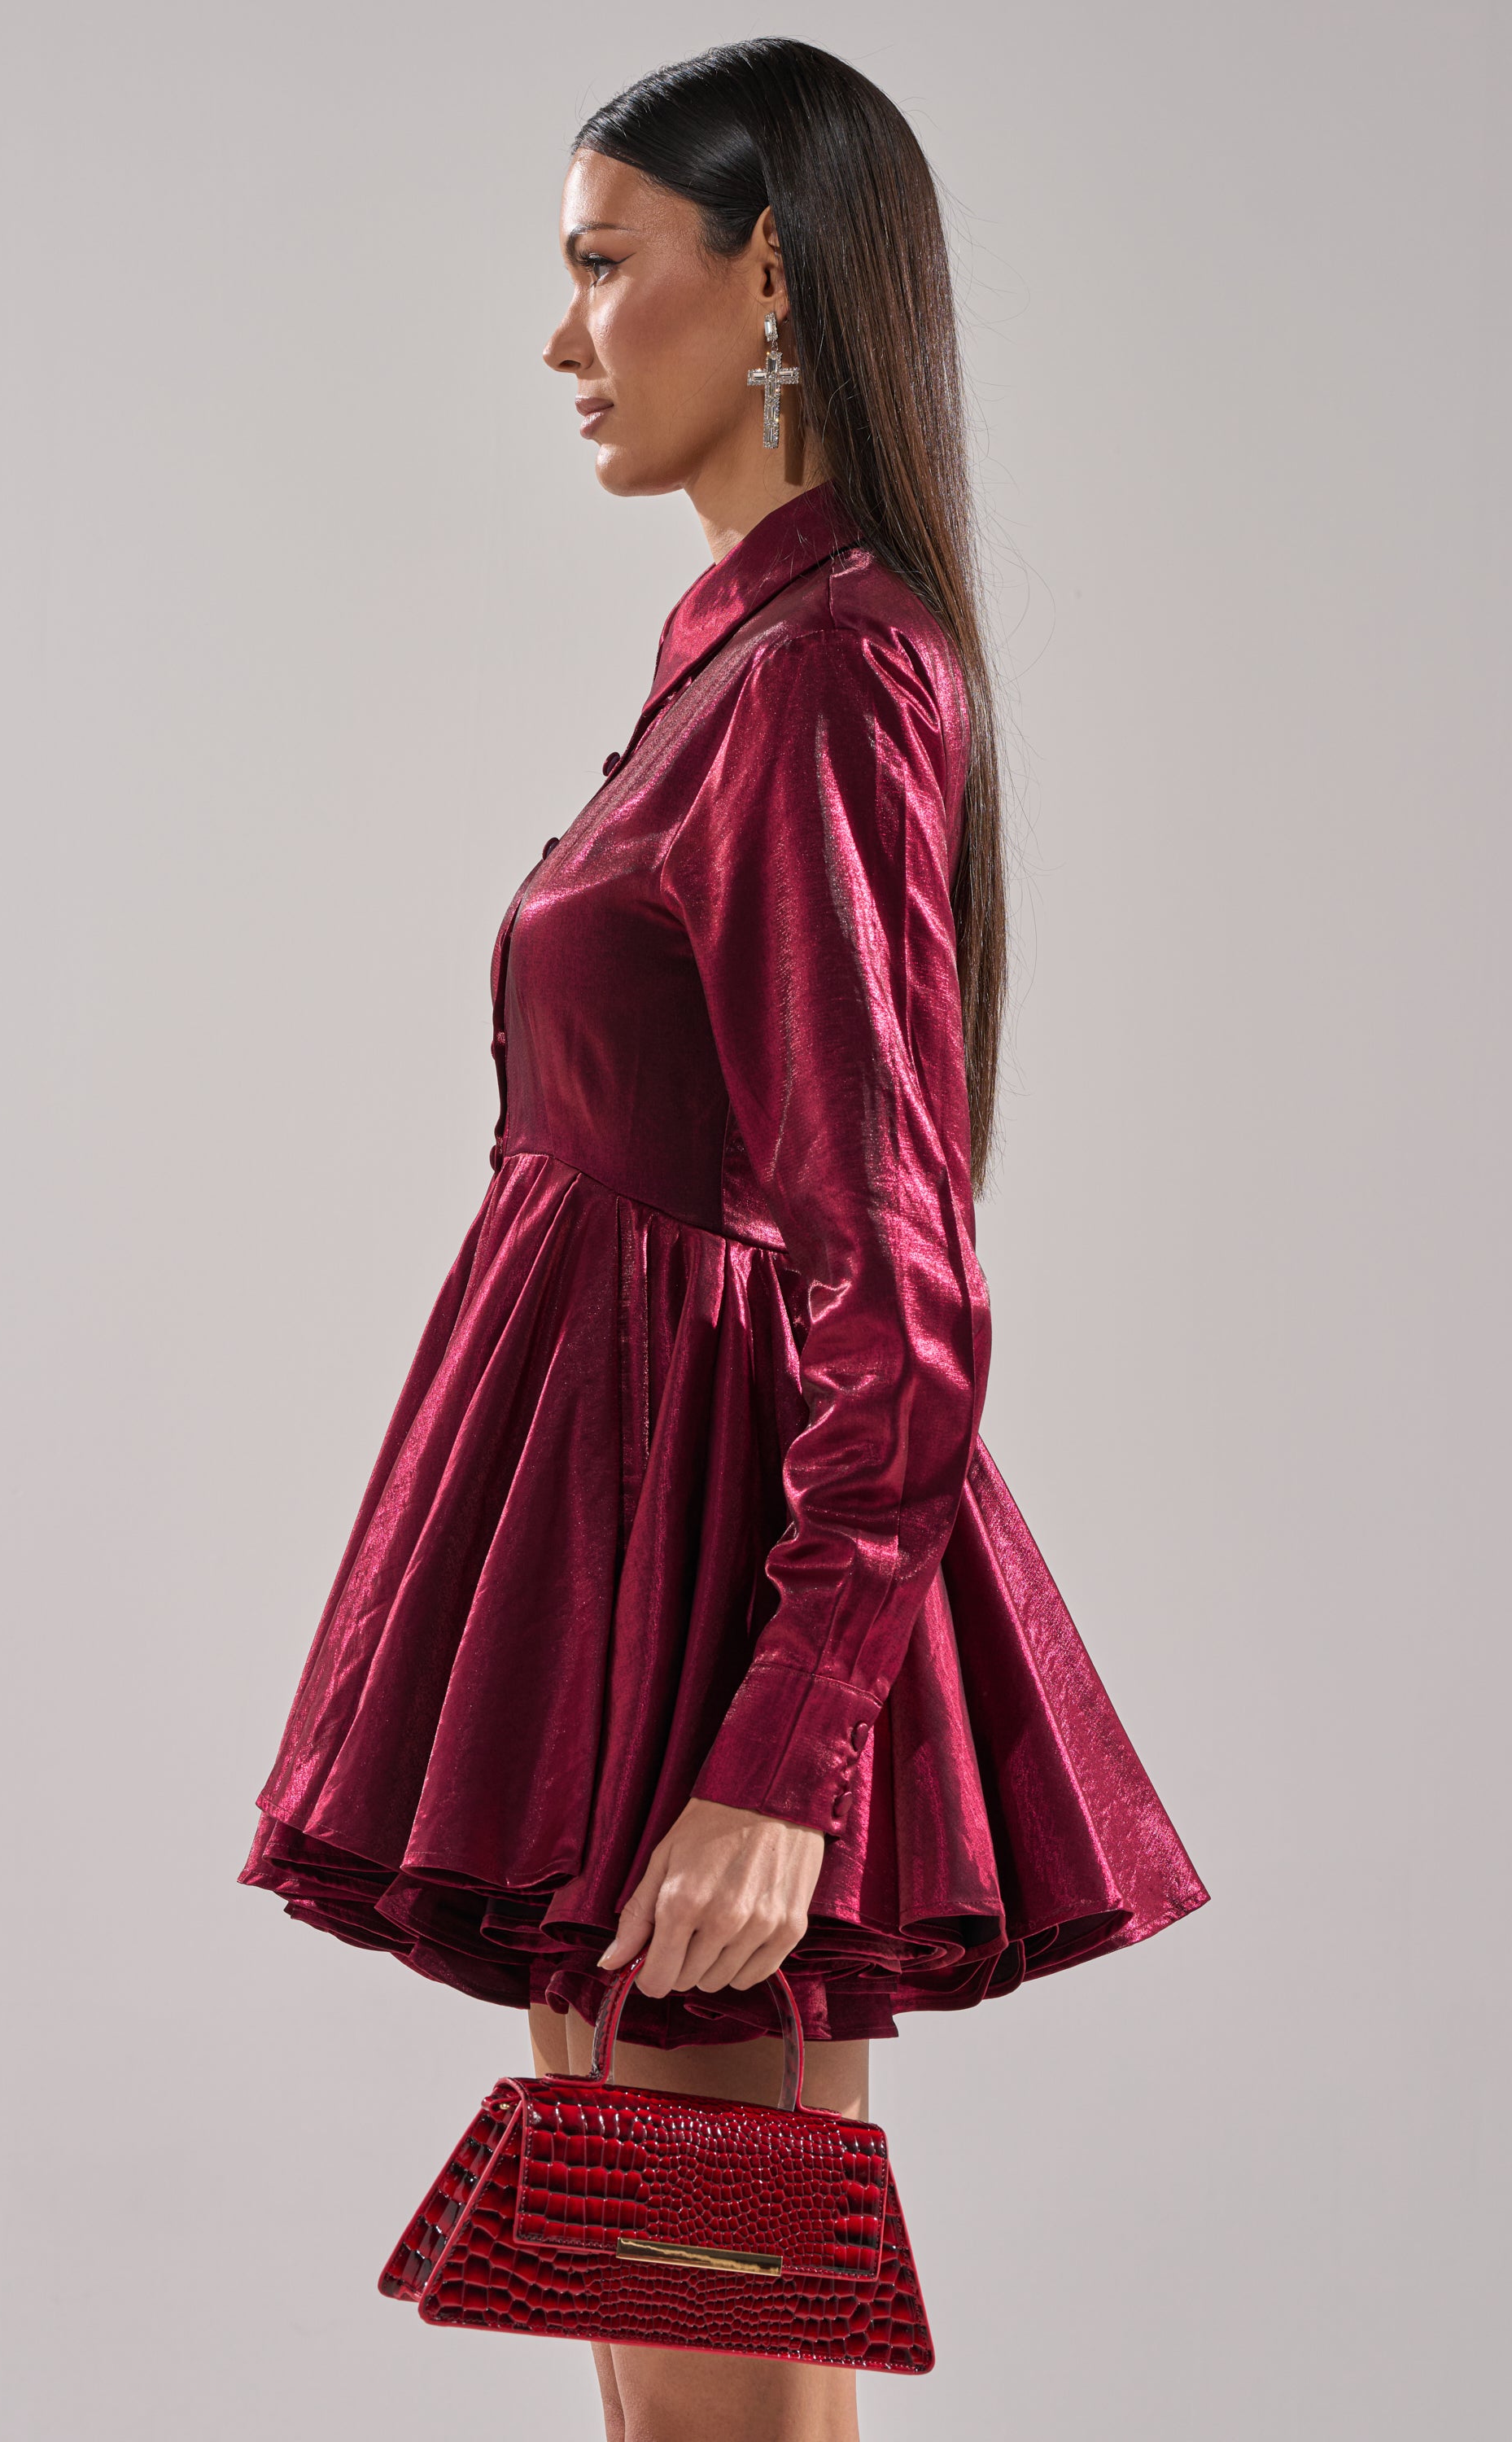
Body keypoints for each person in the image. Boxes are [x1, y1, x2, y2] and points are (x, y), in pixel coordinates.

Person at [241, 37, 1208, 2442]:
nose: (563, 339)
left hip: (706, 1603)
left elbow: (894, 1242)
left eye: (601, 268)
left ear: (762, 271)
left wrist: (786, 1749)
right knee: (679, 2376)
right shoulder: (729, 661)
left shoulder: (827, 674)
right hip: (623, 1577)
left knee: (724, 2402)